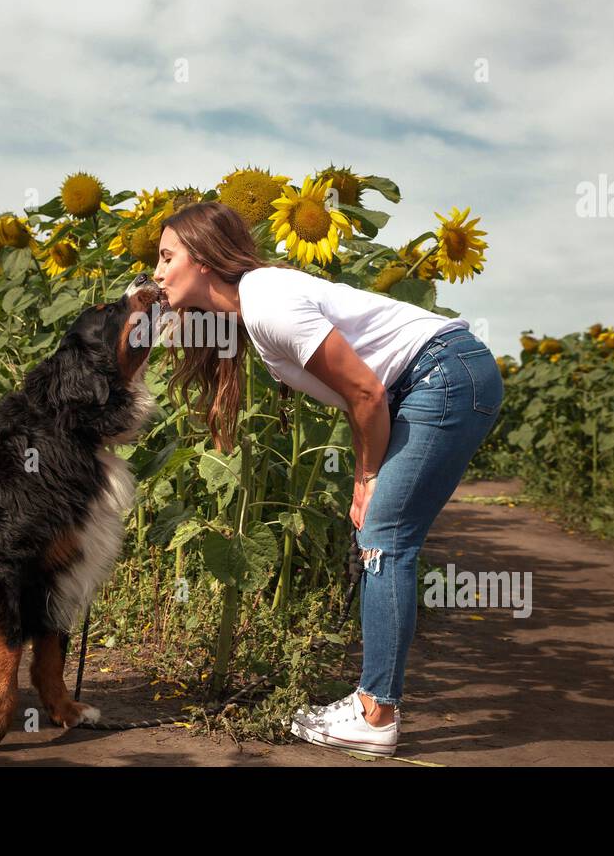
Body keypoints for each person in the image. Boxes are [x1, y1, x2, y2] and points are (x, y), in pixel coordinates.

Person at [151, 200, 504, 757]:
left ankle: (376, 715)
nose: (157, 272)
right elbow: (357, 396)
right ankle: (372, 704)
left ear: (202, 259)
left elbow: (367, 392)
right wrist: (365, 478)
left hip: (442, 375)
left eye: (166, 257)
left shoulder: (267, 302)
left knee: (386, 538)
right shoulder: (252, 311)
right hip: (432, 380)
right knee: (380, 534)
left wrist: (368, 476)